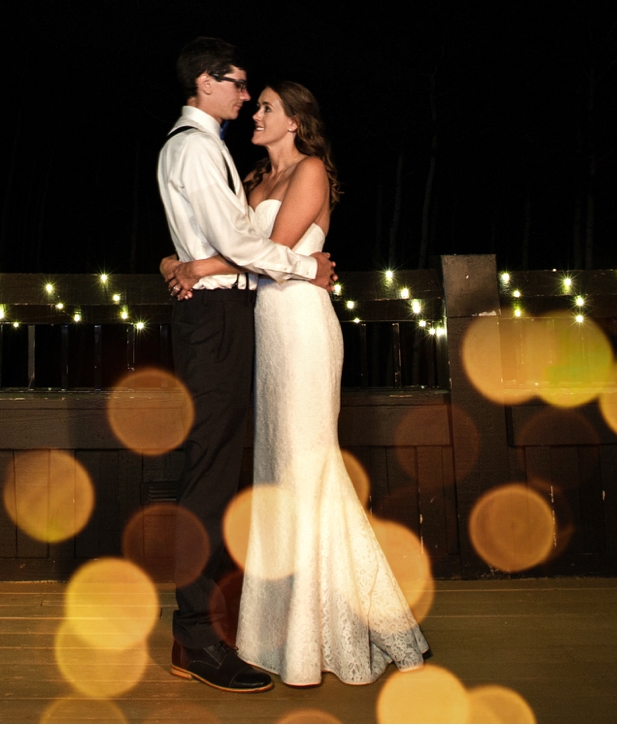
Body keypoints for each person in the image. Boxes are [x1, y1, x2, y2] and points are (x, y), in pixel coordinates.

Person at [161, 79, 431, 689]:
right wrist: (172, 260)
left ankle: (339, 627)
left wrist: (195, 267)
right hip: (264, 334)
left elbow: (270, 252)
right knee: (277, 472)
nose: (255, 112)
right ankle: (278, 632)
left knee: (310, 465)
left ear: (296, 122)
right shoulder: (253, 180)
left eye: (266, 107)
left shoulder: (309, 171)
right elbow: (230, 240)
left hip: (304, 329)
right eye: (254, 103)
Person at [155, 38, 338, 694]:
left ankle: (214, 624)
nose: (244, 97)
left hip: (236, 321)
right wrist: (305, 268)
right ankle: (196, 635)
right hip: (219, 323)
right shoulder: (198, 147)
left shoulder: (209, 151)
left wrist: (180, 263)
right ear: (206, 83)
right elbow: (239, 244)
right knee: (209, 474)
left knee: (225, 469)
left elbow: (217, 244)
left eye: (254, 94)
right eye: (237, 85)